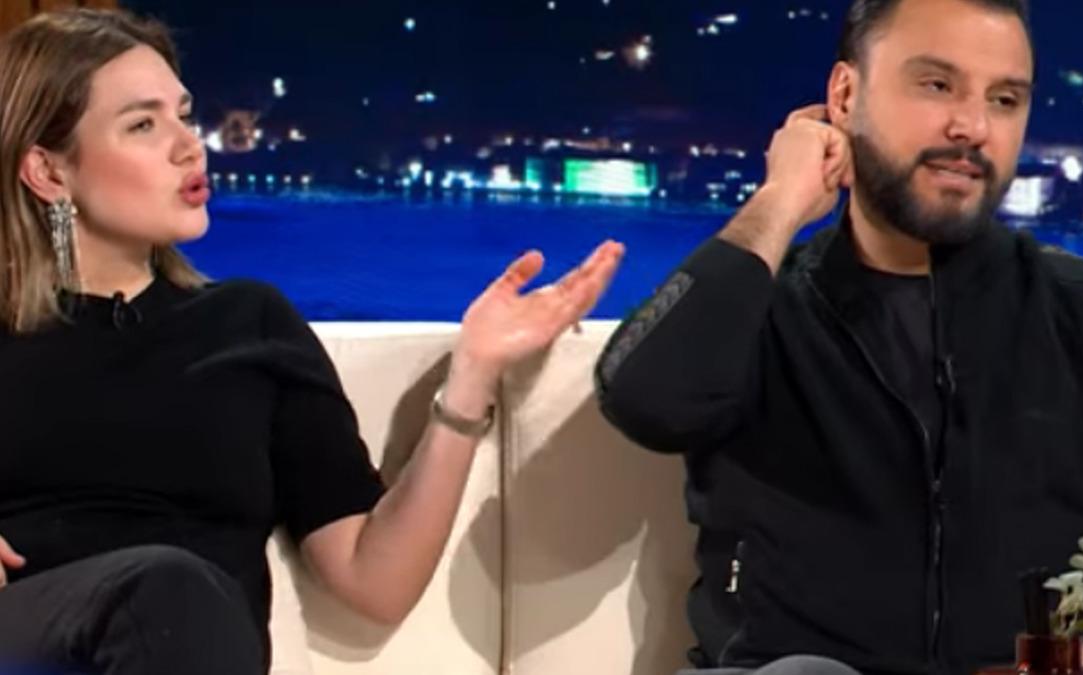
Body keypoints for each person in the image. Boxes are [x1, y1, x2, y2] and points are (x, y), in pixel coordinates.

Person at [0, 8, 623, 674]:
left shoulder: (249, 323)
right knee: (162, 588)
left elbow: (373, 580)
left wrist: (471, 375)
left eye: (183, 115)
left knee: (173, 591)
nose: (190, 146)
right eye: (143, 125)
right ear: (48, 171)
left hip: (191, 641)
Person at [594, 1, 1083, 674]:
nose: (972, 126)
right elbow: (642, 400)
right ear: (844, 96)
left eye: (1004, 99)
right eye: (937, 84)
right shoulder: (758, 311)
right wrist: (780, 202)